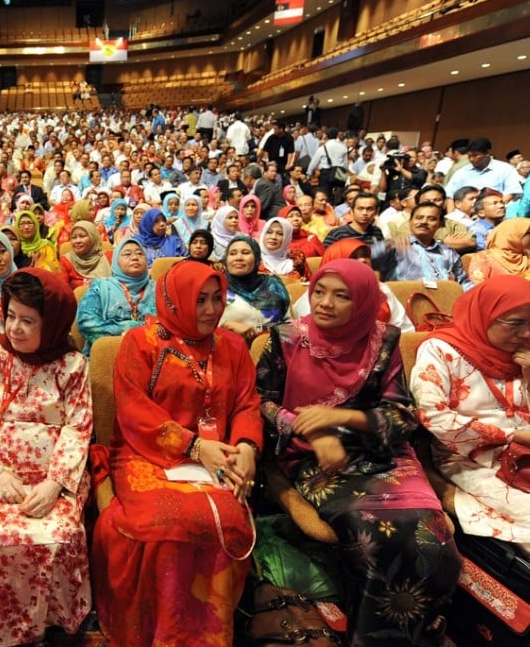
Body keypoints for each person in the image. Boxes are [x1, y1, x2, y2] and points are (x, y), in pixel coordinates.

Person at [255, 259, 461, 645]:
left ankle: (420, 632)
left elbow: (401, 415)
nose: (325, 303)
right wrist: (307, 429)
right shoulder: (285, 338)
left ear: (364, 302)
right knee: (368, 532)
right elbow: (261, 401)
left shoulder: (384, 341)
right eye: (319, 292)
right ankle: (369, 637)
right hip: (312, 455)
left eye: (341, 296)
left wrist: (345, 419)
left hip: (380, 454)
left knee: (432, 536)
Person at [93, 260, 262, 647]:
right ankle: (165, 634)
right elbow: (134, 413)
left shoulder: (232, 346)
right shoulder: (142, 343)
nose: (210, 310)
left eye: (217, 299)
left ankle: (207, 634)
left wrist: (247, 448)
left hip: (220, 456)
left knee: (226, 518)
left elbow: (246, 405)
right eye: (199, 300)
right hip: (148, 453)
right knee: (168, 524)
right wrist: (194, 447)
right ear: (176, 299)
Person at [0, 268, 93, 646]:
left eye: (28, 321)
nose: (15, 328)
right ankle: (5, 629)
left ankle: (49, 621)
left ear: (51, 325)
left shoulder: (72, 366)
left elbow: (78, 428)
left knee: (60, 533)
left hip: (53, 476)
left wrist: (54, 485)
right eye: (11, 315)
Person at [411, 275, 530, 552]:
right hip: (469, 455)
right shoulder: (440, 350)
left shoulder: (524, 353)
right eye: (516, 323)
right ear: (485, 315)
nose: (526, 333)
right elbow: (432, 416)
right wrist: (512, 435)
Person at [75, 238, 157, 354]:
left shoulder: (159, 289)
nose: (134, 257)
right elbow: (86, 323)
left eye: (139, 253)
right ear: (116, 262)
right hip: (109, 355)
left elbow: (169, 325)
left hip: (152, 354)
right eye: (127, 254)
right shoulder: (100, 287)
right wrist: (129, 328)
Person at [220, 236, 290, 341]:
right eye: (232, 253)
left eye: (245, 252)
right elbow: (199, 326)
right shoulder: (217, 287)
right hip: (229, 348)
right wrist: (224, 327)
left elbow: (291, 324)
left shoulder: (274, 285)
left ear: (257, 258)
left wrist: (264, 334)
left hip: (275, 348)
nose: (238, 257)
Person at [467, 217, 530, 282]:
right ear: (512, 236)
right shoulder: (483, 259)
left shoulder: (526, 258)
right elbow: (479, 288)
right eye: (529, 233)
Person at [59, 220, 111, 289]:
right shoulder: (66, 261)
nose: (77, 241)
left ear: (93, 238)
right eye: (74, 237)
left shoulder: (109, 257)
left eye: (82, 236)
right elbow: (63, 290)